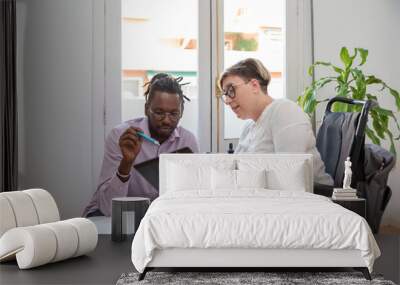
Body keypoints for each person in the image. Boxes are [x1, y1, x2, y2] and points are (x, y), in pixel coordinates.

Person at [83, 74, 199, 217]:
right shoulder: (122, 136)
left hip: (154, 217)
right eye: (159, 113)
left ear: (181, 113)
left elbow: (190, 199)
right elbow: (108, 209)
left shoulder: (187, 141)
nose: (167, 121)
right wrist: (126, 164)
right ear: (146, 109)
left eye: (174, 113)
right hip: (109, 217)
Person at [219, 58, 333, 185]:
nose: (228, 100)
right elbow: (236, 171)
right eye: (225, 94)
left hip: (309, 198)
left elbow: (290, 174)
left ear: (254, 86)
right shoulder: (248, 127)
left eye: (231, 90)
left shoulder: (284, 111)